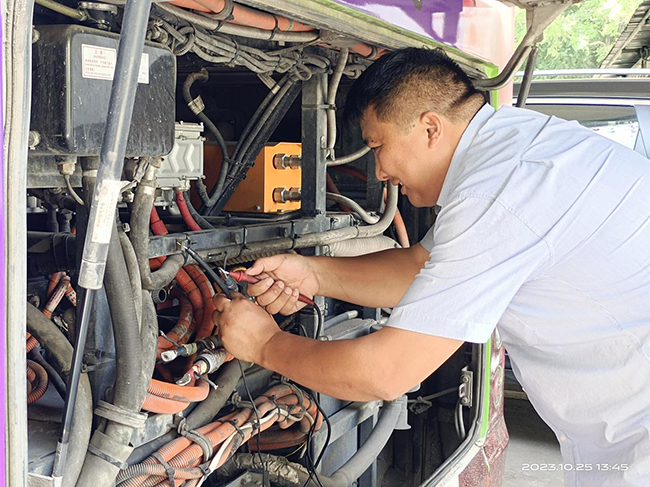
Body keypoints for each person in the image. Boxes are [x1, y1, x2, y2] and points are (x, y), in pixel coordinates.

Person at [213, 48, 650, 485]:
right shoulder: (513, 148)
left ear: (429, 127)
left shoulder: (498, 194)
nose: (379, 171)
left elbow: (386, 373)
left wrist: (265, 345)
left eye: (379, 146)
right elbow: (422, 266)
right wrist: (312, 273)